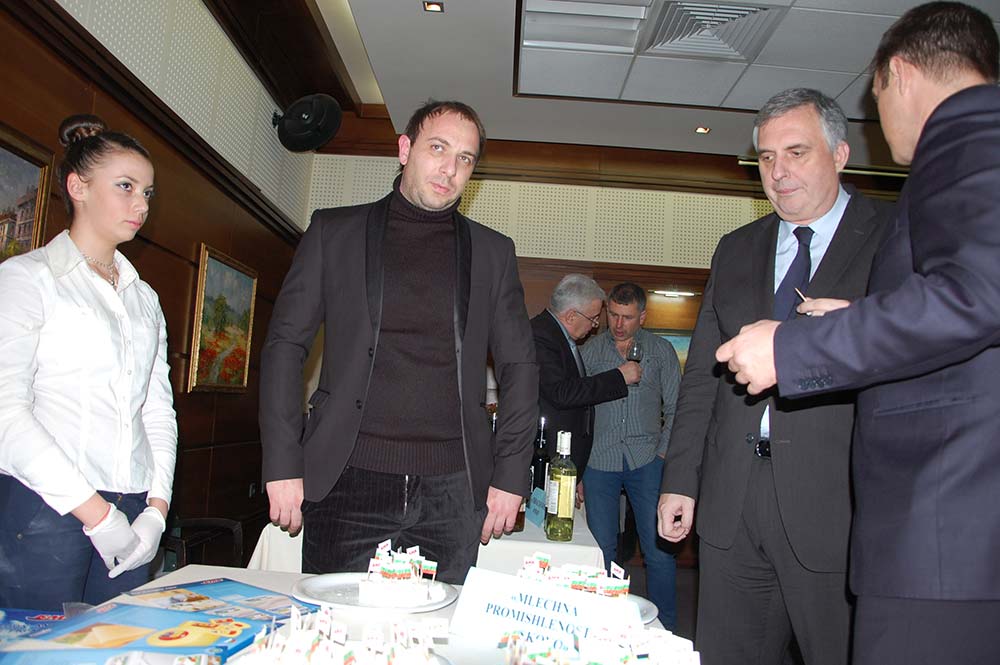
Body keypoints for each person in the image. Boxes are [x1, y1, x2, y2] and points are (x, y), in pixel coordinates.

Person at [715, 4, 1000, 663]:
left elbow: (976, 293)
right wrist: (857, 317)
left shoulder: (973, 145)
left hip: (946, 529)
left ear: (898, 74)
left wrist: (791, 347)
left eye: (874, 97)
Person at [658, 89, 893, 664]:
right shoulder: (736, 249)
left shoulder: (893, 237)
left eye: (796, 152)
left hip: (838, 504)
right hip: (733, 500)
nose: (778, 172)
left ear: (840, 154)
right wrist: (680, 478)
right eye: (766, 157)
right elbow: (703, 379)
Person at [259, 100, 538, 584]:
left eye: (465, 158)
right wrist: (282, 462)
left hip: (454, 492)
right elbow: (284, 347)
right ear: (405, 149)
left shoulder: (493, 253)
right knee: (337, 626)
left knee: (438, 630)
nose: (450, 169)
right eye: (438, 148)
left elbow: (521, 367)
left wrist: (511, 475)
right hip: (345, 481)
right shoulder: (333, 232)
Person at [0, 115, 177, 610]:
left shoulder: (145, 299)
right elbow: (6, 413)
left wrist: (156, 511)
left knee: (121, 644)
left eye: (147, 192)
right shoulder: (27, 278)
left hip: (134, 510)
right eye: (126, 186)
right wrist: (98, 516)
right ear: (78, 187)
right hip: (46, 508)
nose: (142, 204)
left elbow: (157, 413)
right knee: (39, 646)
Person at [580, 282, 680, 629]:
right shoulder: (590, 352)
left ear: (643, 316)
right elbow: (577, 407)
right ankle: (604, 626)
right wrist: (578, 467)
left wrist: (662, 456)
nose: (619, 324)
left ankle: (666, 630)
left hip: (646, 459)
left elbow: (678, 408)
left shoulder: (662, 351)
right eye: (613, 315)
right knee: (602, 550)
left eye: (627, 317)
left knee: (658, 552)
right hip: (599, 461)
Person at [531, 274, 639, 479]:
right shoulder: (541, 335)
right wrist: (619, 377)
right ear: (571, 316)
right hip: (549, 455)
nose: (596, 325)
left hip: (565, 458)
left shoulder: (558, 336)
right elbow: (562, 393)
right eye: (593, 318)